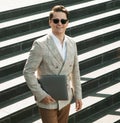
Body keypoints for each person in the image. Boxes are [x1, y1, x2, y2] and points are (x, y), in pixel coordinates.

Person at [23, 5, 82, 123]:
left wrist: (78, 95)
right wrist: (41, 95)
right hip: (47, 99)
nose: (59, 23)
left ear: (67, 23)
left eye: (63, 20)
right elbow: (28, 72)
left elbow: (75, 71)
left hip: (66, 97)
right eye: (56, 20)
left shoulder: (72, 43)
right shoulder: (40, 44)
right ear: (50, 22)